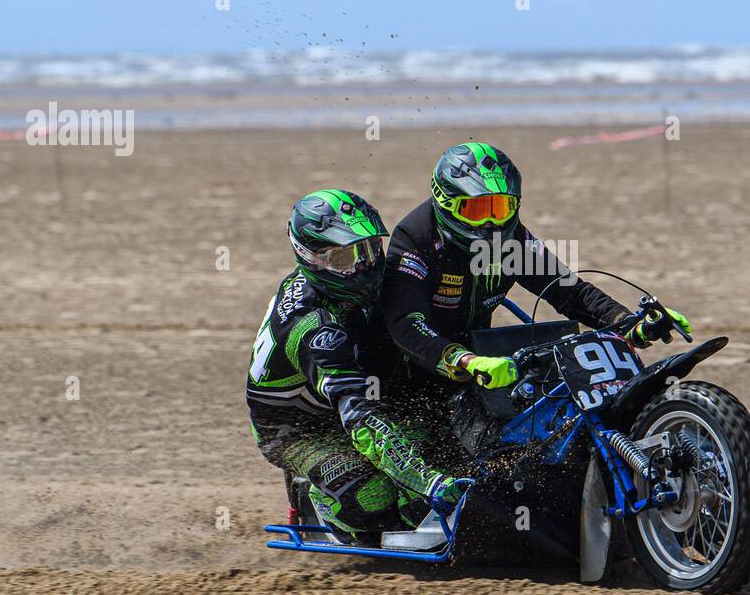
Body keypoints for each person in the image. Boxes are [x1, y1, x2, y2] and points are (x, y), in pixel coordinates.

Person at [381, 142, 690, 390]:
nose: (491, 222)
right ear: (447, 203)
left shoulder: (511, 239)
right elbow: (406, 322)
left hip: (477, 358)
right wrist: (463, 361)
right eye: (477, 210)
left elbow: (569, 291)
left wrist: (630, 323)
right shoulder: (415, 239)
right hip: (408, 371)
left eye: (500, 208)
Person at [246, 189, 463, 540]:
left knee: (441, 446)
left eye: (368, 250)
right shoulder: (315, 328)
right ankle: (321, 503)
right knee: (377, 497)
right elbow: (360, 417)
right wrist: (428, 482)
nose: (364, 266)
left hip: (356, 392)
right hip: (298, 430)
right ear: (312, 258)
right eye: (346, 258)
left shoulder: (354, 287)